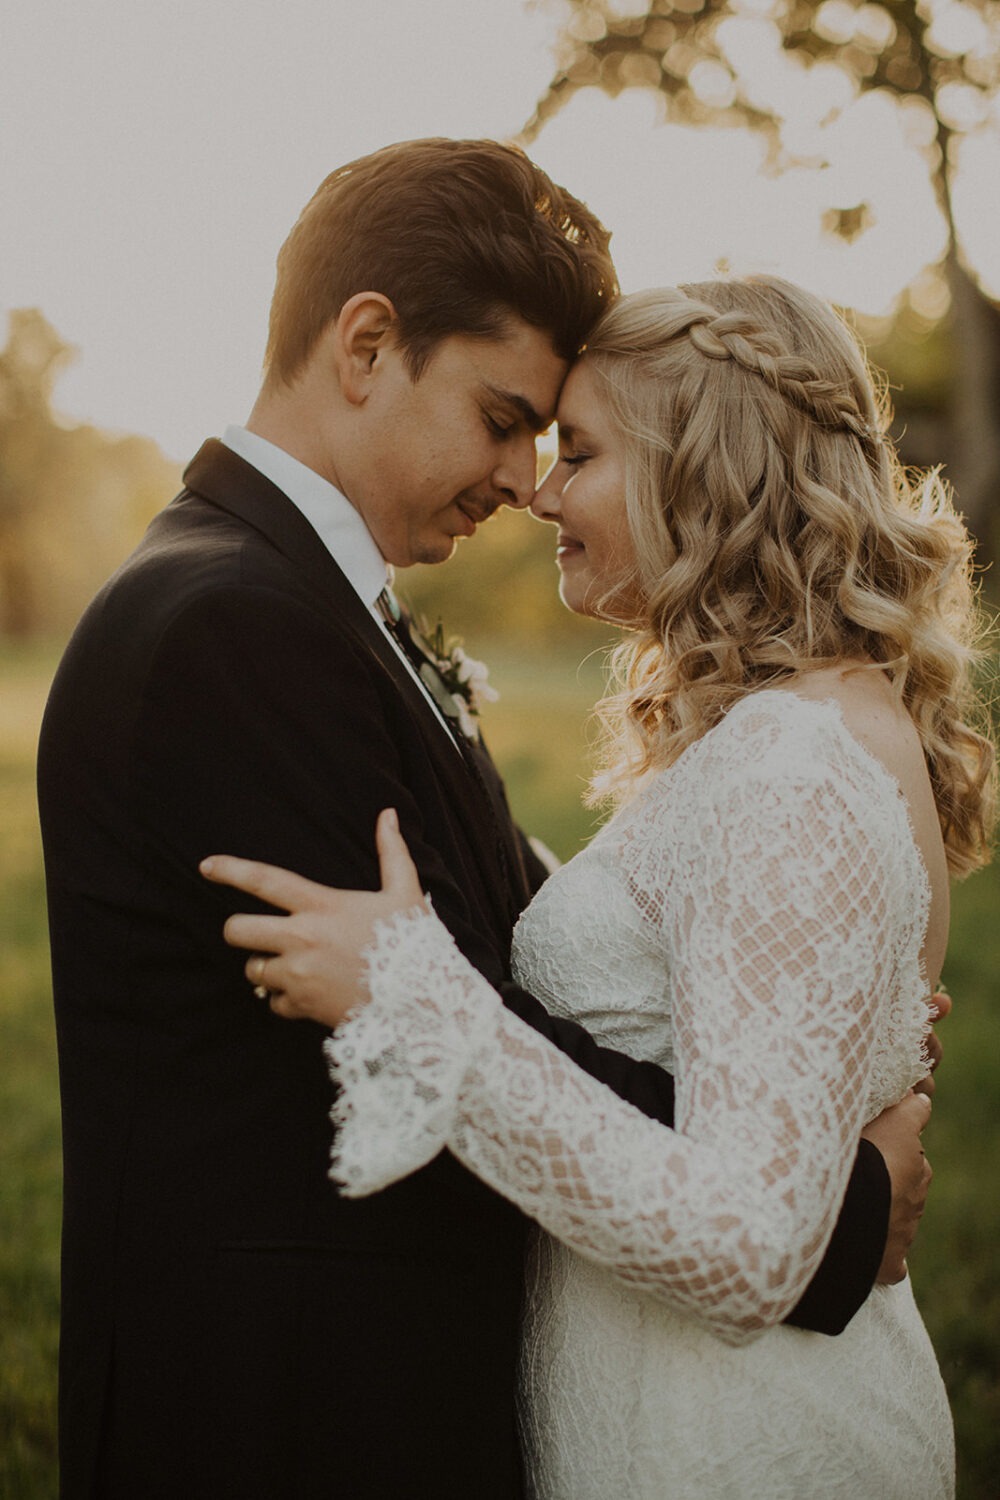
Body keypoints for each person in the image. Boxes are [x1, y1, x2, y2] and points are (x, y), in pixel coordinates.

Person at [37, 134, 927, 1499]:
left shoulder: (301, 608)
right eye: (509, 419)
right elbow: (425, 1038)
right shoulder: (229, 627)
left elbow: (486, 958)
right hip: (282, 1418)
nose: (526, 483)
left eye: (562, 443)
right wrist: (835, 1210)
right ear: (368, 345)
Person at [203, 277, 995, 1499]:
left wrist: (417, 1006)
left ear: (705, 471)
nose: (540, 491)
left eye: (581, 453)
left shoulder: (790, 767)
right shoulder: (775, 736)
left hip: (735, 1448)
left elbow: (749, 1248)